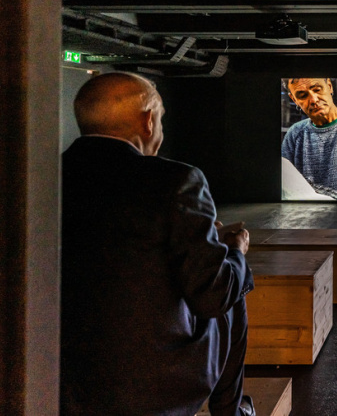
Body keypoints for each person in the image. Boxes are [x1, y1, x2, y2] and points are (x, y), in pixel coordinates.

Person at [61, 72, 256, 416]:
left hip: (60, 380)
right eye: (161, 118)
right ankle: (231, 412)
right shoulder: (176, 180)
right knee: (231, 281)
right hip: (151, 388)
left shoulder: (45, 176)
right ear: (148, 121)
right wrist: (234, 250)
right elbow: (212, 295)